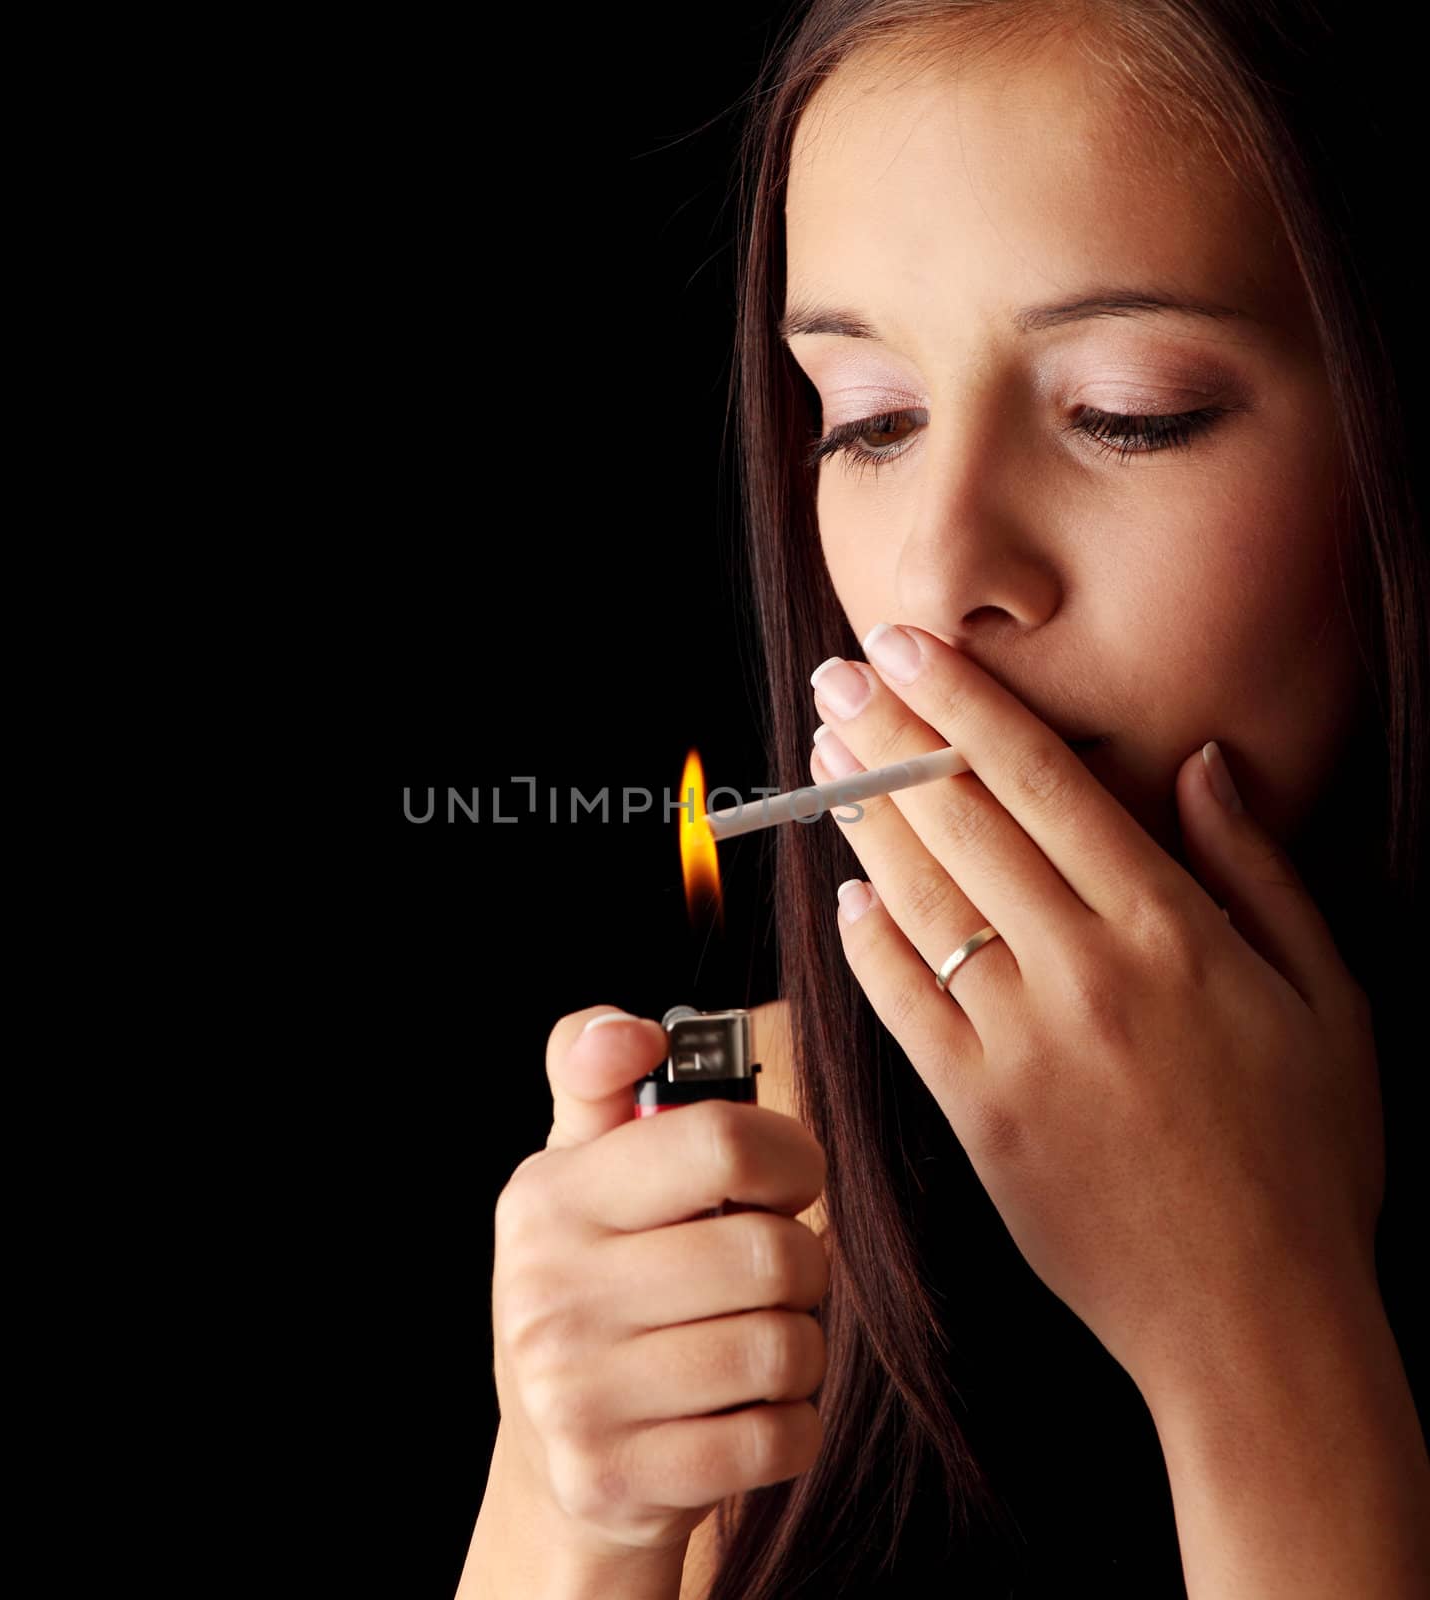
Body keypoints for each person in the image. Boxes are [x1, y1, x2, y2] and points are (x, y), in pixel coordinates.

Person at [459, 3, 1430, 1595]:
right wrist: (580, 1515)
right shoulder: (755, 1167)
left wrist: (1258, 1345)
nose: (935, 570)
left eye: (1131, 410)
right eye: (871, 421)